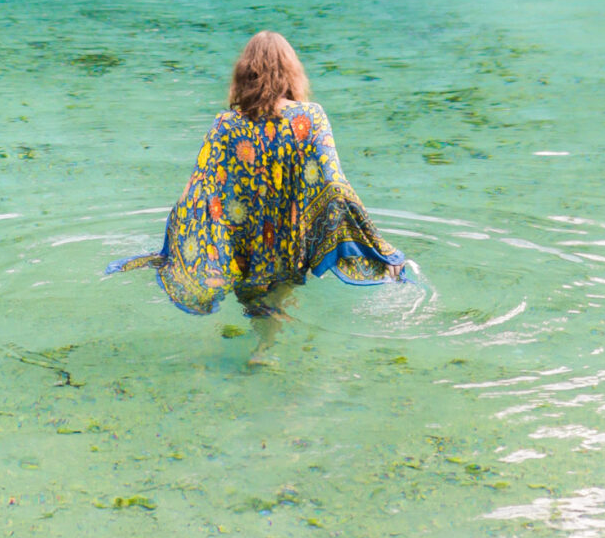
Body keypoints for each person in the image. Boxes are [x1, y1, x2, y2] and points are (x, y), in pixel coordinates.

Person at [106, 30, 405, 339]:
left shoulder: (226, 123)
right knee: (279, 293)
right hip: (289, 236)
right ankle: (264, 348)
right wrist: (380, 249)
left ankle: (253, 342)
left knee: (250, 294)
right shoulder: (311, 117)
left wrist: (172, 250)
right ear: (291, 71)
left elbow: (199, 188)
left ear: (245, 72)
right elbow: (334, 184)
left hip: (243, 237)